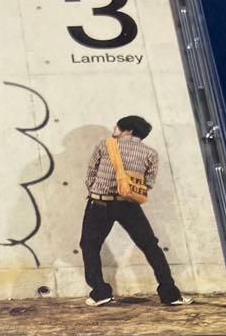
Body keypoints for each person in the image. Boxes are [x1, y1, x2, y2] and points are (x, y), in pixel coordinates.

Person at [80, 116, 191, 308]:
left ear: (128, 130)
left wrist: (96, 190)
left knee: (90, 245)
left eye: (117, 126)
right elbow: (148, 183)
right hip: (129, 205)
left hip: (100, 203)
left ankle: (100, 293)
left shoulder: (105, 145)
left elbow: (91, 173)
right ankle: (170, 294)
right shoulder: (151, 154)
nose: (114, 128)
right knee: (150, 246)